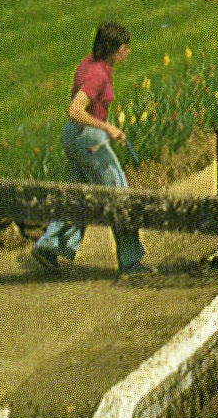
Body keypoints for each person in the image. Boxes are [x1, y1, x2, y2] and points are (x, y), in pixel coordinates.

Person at [31, 22, 151, 276]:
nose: (128, 51)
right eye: (124, 47)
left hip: (74, 137)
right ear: (112, 49)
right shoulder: (98, 75)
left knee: (80, 197)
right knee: (120, 195)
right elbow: (74, 110)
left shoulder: (91, 63)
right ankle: (131, 262)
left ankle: (50, 247)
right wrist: (107, 128)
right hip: (89, 140)